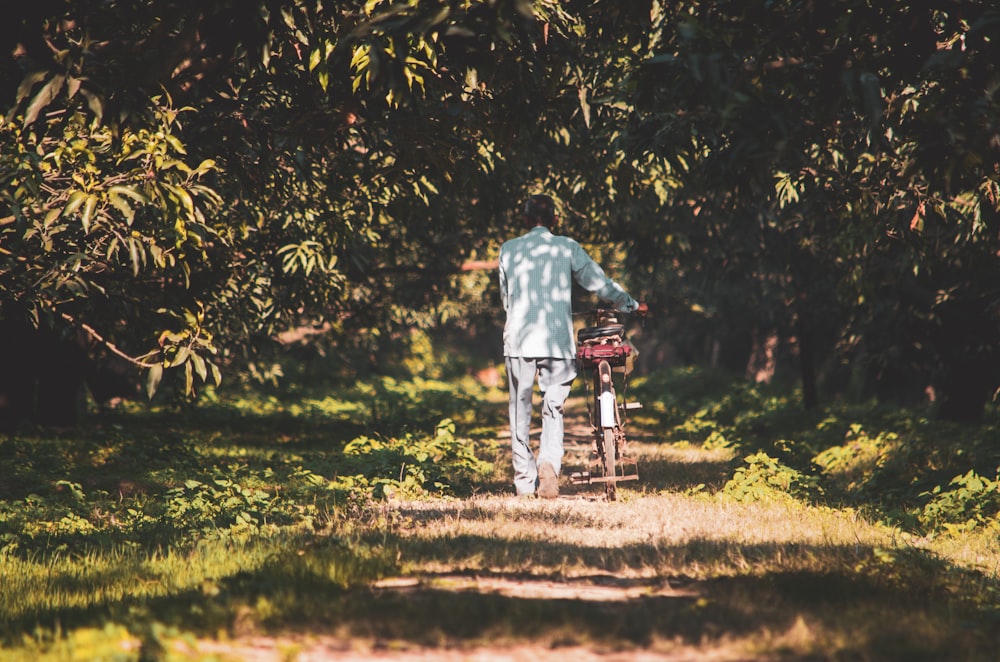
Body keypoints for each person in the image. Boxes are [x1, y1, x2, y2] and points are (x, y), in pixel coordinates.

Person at [498, 194, 645, 498]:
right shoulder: (567, 247)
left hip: (520, 341)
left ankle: (524, 482)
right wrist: (629, 304)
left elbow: (506, 299)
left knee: (519, 411)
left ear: (525, 221)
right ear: (555, 221)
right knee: (553, 407)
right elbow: (599, 283)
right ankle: (549, 463)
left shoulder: (509, 250)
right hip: (557, 342)